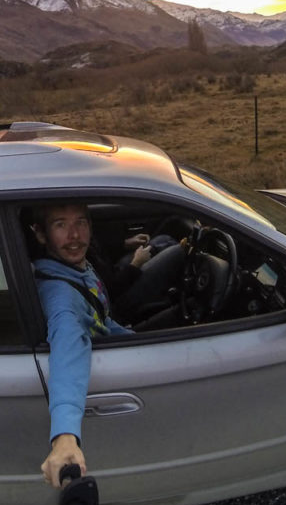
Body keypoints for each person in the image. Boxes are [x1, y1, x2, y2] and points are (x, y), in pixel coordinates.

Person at [31, 202, 183, 488]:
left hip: (114, 331)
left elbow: (100, 319)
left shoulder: (73, 267)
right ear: (41, 235)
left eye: (81, 223)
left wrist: (130, 337)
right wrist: (65, 437)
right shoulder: (61, 296)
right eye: (60, 225)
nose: (74, 235)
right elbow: (67, 351)